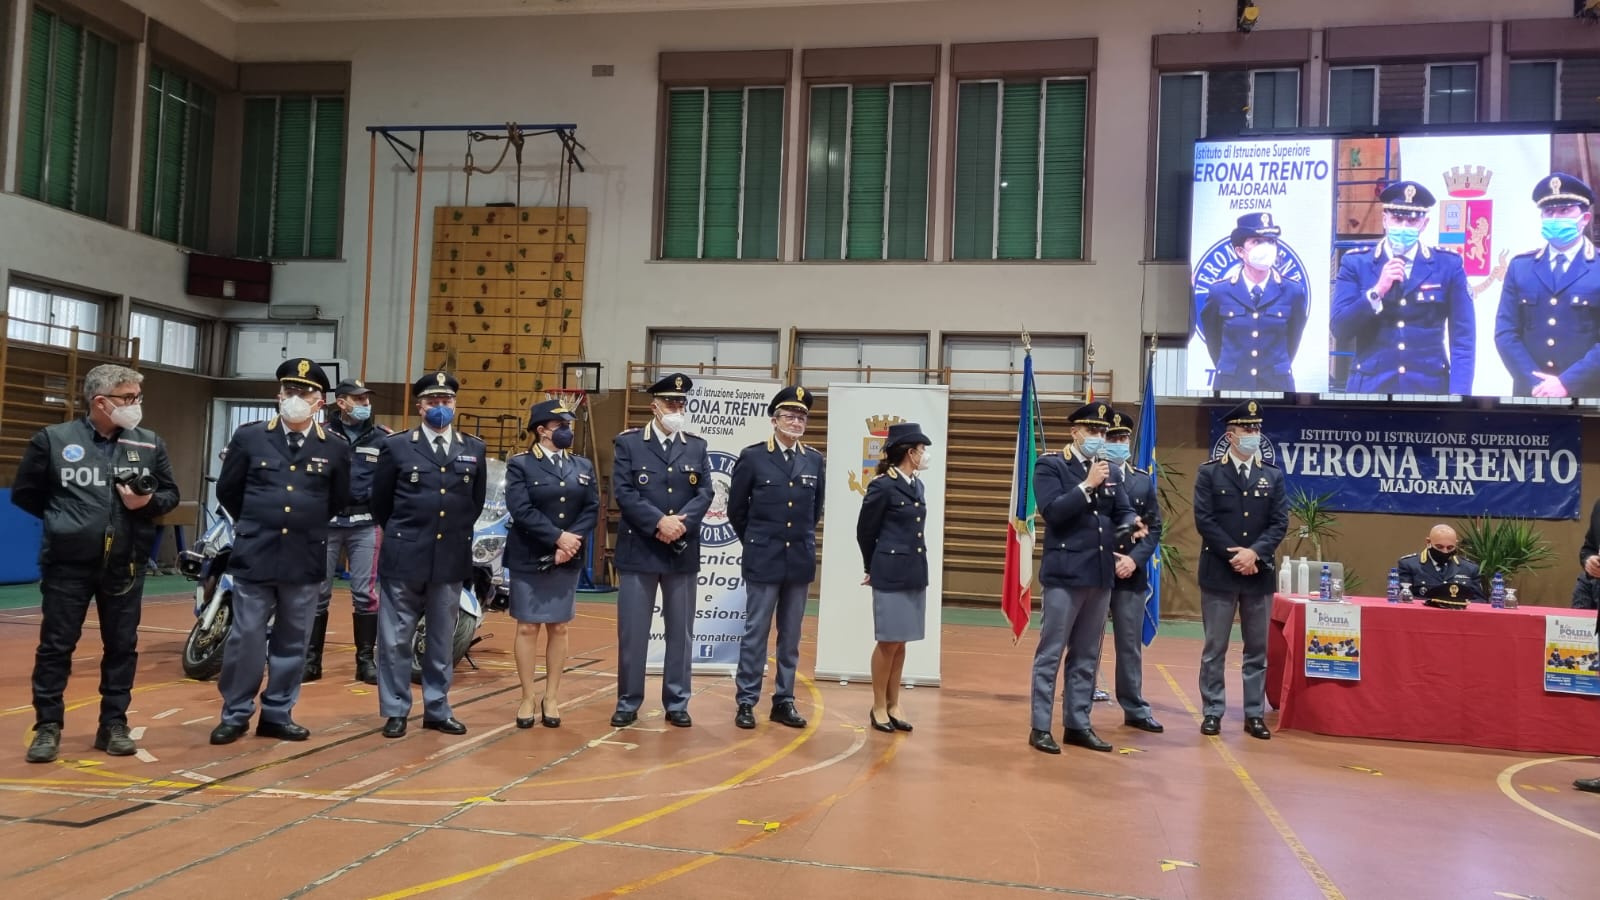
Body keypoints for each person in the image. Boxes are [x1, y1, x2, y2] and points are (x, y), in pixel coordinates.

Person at [13, 364, 180, 763]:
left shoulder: (149, 443)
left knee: (122, 646)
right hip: (67, 565)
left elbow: (170, 494)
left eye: (137, 397)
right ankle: (47, 727)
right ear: (101, 401)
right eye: (129, 397)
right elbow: (26, 493)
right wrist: (67, 522)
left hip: (125, 565)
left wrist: (146, 503)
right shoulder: (53, 440)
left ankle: (113, 725)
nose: (136, 404)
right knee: (56, 646)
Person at [211, 359, 351, 745]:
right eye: (290, 390)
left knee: (293, 640)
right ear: (278, 394)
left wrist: (303, 521)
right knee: (246, 638)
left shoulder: (335, 448)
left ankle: (277, 713)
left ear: (320, 401)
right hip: (256, 551)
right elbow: (229, 490)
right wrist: (258, 522)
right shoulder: (250, 437)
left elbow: (338, 499)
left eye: (305, 392)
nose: (295, 398)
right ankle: (236, 713)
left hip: (304, 554)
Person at [370, 372, 488, 738]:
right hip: (405, 556)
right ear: (420, 406)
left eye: (446, 401)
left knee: (440, 641)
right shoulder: (397, 447)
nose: (440, 407)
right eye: (433, 401)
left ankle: (437, 708)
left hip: (450, 557)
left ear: (455, 405)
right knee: (395, 640)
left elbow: (474, 505)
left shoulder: (474, 449)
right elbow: (380, 503)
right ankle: (396, 710)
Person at [1028, 404, 1142, 755]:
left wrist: (1131, 526)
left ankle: (1077, 723)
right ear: (1074, 432)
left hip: (1099, 573)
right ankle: (1040, 726)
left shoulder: (1111, 471)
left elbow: (1123, 510)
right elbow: (1053, 512)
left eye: (1103, 432)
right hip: (1065, 575)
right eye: (1092, 431)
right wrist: (1086, 485)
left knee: (1087, 655)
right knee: (1051, 653)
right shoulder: (1051, 465)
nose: (1099, 438)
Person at [609, 373, 713, 728]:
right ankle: (628, 700)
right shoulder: (629, 444)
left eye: (681, 403)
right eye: (671, 403)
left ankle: (677, 701)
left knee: (680, 633)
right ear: (654, 406)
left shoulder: (696, 446)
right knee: (633, 632)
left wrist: (680, 524)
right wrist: (659, 522)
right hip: (640, 549)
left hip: (681, 551)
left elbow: (706, 493)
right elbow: (624, 493)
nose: (677, 409)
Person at [728, 385, 824, 731]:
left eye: (801, 417)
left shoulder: (814, 459)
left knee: (791, 637)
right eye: (789, 416)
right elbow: (736, 510)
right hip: (763, 559)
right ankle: (746, 700)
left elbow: (815, 510)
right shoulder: (753, 457)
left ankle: (784, 700)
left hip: (798, 560)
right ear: (774, 420)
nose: (796, 422)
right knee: (756, 632)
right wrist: (757, 542)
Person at [1192, 400, 1289, 740]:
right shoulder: (1209, 473)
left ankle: (1253, 714)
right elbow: (1205, 520)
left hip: (1258, 574)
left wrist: (1254, 554)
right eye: (1248, 429)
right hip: (1220, 572)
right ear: (1231, 435)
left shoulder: (1272, 475)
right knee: (1215, 647)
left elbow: (1279, 523)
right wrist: (1235, 555)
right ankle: (1212, 711)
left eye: (1257, 429)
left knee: (1257, 649)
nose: (1254, 434)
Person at [504, 398, 598, 729]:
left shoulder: (582, 465)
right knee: (527, 626)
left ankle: (552, 696)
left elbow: (591, 508)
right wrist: (557, 538)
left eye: (568, 426)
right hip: (530, 554)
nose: (567, 431)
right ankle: (527, 696)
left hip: (568, 556)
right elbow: (521, 509)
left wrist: (570, 542)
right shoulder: (520, 465)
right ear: (542, 431)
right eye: (561, 426)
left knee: (559, 626)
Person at [1331, 180, 1475, 395]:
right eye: (1397, 219)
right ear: (1385, 219)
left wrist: (1459, 397)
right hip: (1371, 388)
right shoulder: (1356, 263)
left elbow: (1463, 339)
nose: (1404, 227)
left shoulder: (1447, 265)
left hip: (1429, 389)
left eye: (1412, 221)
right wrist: (1376, 292)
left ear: (1424, 224)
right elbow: (1340, 329)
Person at [856, 422, 934, 734]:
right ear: (909, 453)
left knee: (901, 642)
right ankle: (878, 705)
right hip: (888, 571)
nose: (924, 455)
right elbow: (865, 532)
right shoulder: (882, 486)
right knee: (888, 641)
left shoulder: (917, 485)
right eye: (921, 450)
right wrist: (870, 567)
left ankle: (894, 703)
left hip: (914, 570)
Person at [312, 378, 392, 684]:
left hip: (366, 524)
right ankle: (311, 660)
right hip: (326, 522)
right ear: (341, 402)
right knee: (318, 591)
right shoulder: (321, 434)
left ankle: (365, 661)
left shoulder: (383, 438)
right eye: (358, 400)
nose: (365, 404)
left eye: (366, 399)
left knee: (365, 593)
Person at [1494, 173, 1600, 398]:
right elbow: (1506, 333)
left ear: (1585, 218)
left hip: (1587, 394)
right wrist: (1536, 383)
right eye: (1549, 212)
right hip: (1531, 393)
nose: (1555, 218)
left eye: (1564, 211)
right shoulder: (1521, 267)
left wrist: (1567, 383)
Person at [1101, 410, 1164, 733]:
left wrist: (1134, 560)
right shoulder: (1092, 475)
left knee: (1129, 645)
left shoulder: (1141, 480)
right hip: (1095, 571)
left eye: (1123, 438)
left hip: (1131, 573)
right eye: (1112, 438)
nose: (1118, 443)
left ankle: (1134, 708)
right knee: (1086, 644)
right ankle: (1079, 704)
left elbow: (1153, 527)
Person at [1199, 212, 1309, 392]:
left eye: (1271, 241)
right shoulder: (1219, 292)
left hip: (1277, 387)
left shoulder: (1293, 291)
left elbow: (1293, 340)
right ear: (1240, 251)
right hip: (1232, 386)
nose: (1266, 247)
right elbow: (1213, 340)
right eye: (1257, 241)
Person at [1395, 524, 1481, 598]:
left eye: (1450, 548)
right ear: (1428, 542)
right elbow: (1403, 598)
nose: (1445, 551)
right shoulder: (1409, 565)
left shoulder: (1470, 569)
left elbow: (1479, 602)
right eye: (1439, 547)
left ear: (1456, 544)